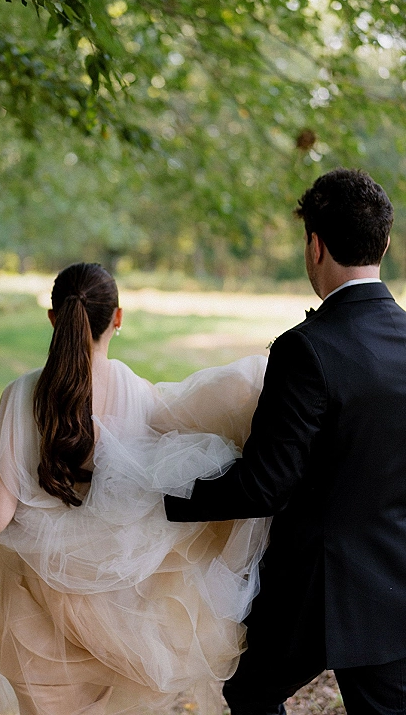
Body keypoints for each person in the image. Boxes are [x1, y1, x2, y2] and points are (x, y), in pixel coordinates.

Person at [0, 262, 270, 715]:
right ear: (118, 318)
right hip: (117, 623)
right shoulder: (137, 392)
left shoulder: (19, 395)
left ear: (53, 319)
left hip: (35, 623)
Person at [165, 168, 406, 715]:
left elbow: (264, 486)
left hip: (311, 590)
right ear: (384, 244)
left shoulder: (306, 349)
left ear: (314, 246)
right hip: (394, 581)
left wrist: (170, 495)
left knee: (247, 694)